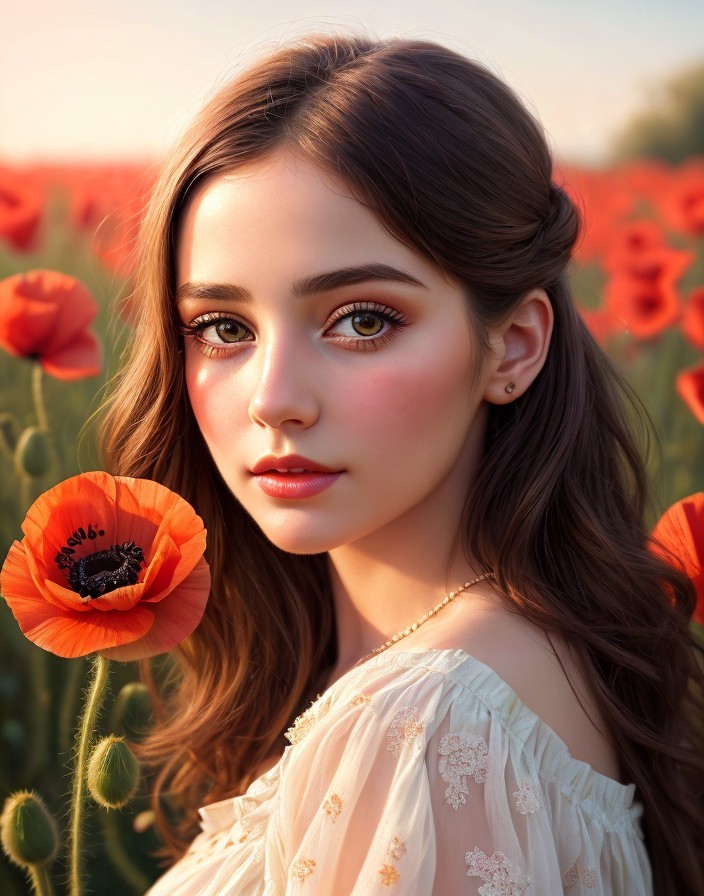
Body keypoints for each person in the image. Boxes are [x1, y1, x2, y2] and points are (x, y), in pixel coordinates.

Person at [99, 34, 704, 895]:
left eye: (363, 320)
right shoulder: (513, 663)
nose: (274, 398)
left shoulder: (429, 727)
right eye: (224, 328)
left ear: (514, 346)